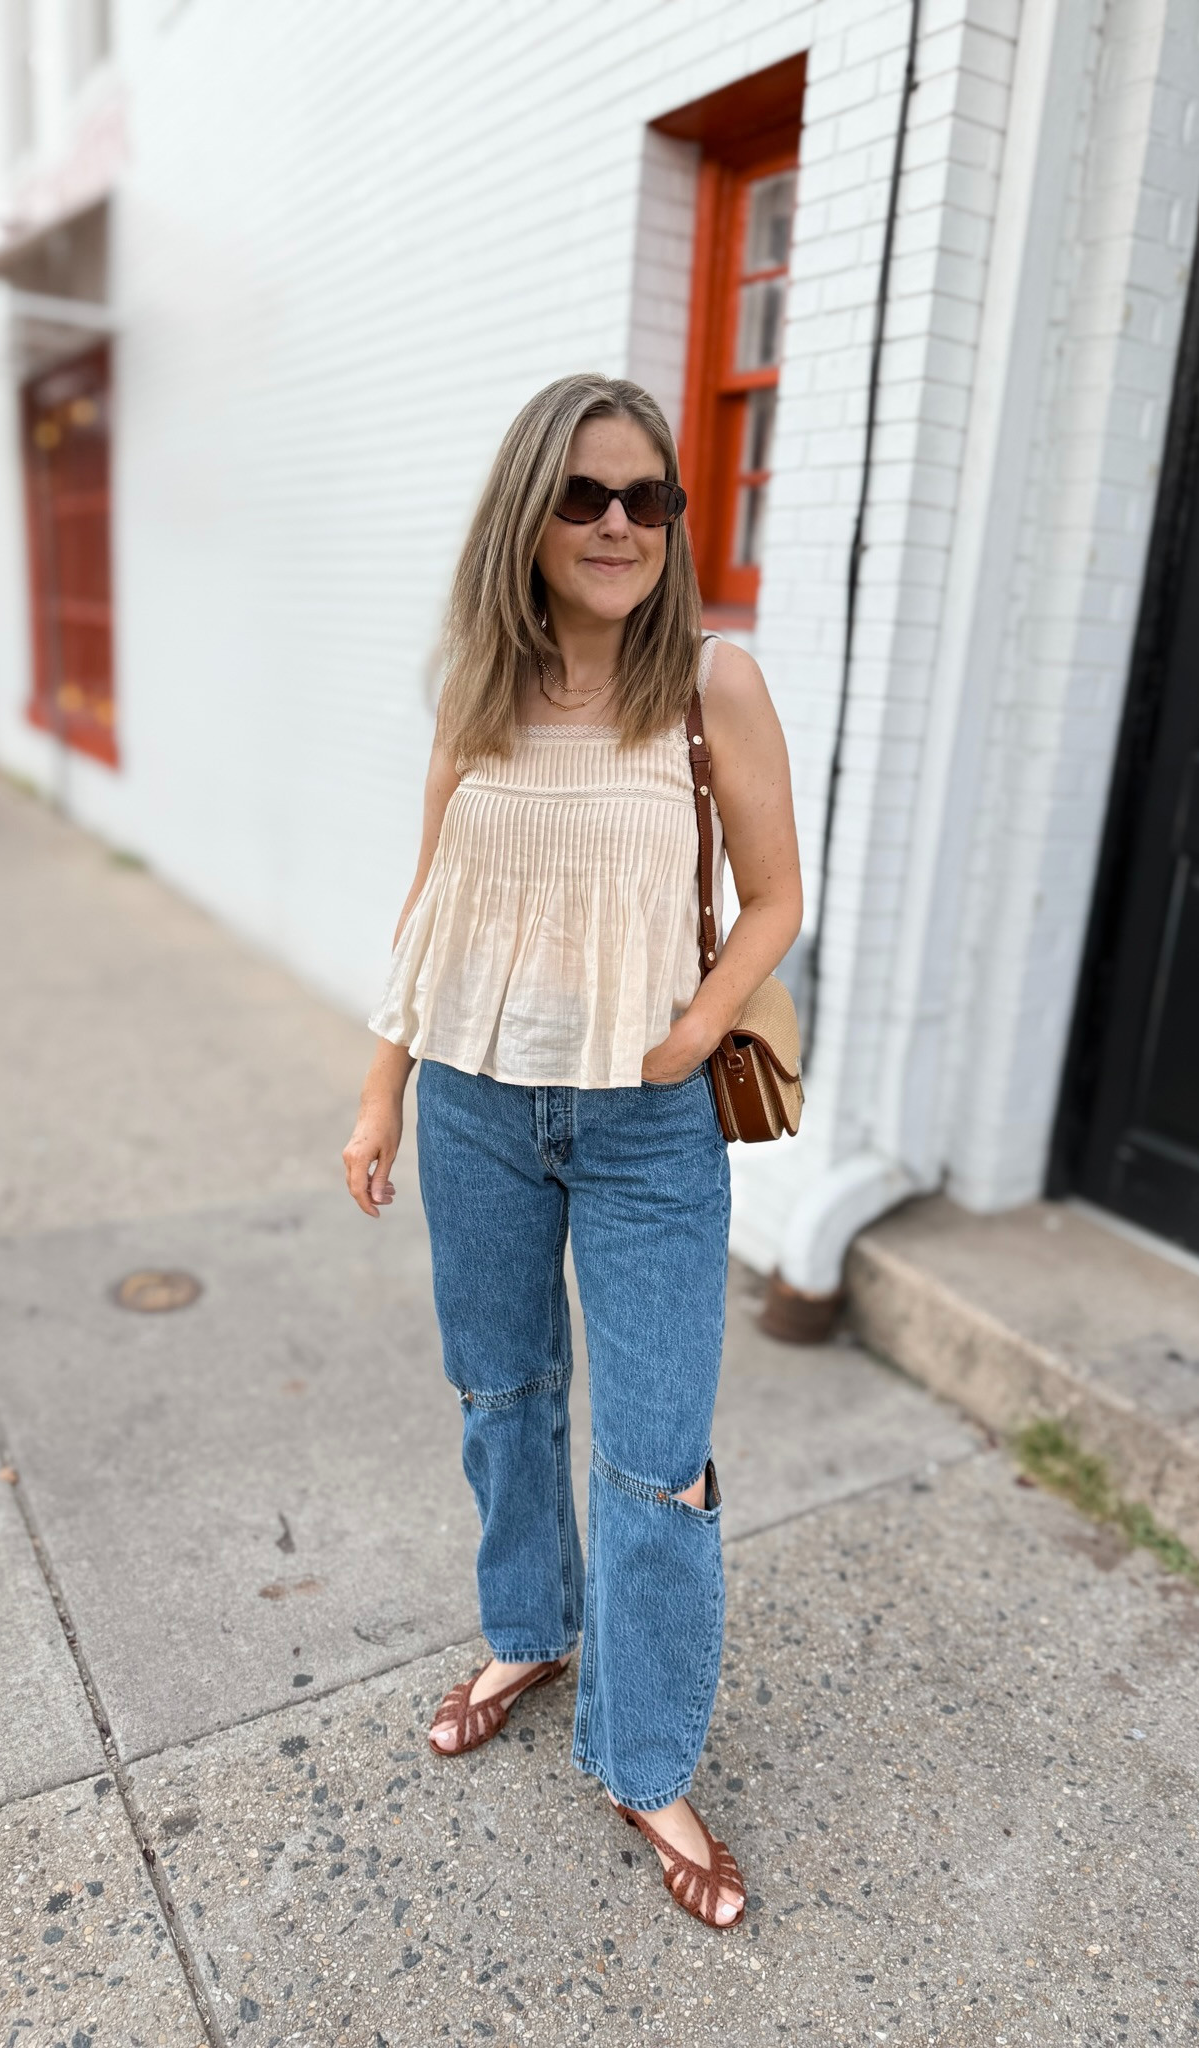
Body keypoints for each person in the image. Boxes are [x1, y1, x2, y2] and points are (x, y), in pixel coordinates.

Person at [341, 372, 802, 1930]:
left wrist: (687, 1038)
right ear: (528, 513)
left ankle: (644, 1754)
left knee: (658, 1461)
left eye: (649, 499)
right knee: (502, 1393)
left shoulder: (709, 687)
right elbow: (431, 906)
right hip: (475, 1101)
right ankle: (530, 1631)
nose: (620, 525)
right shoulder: (478, 685)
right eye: (587, 496)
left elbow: (777, 901)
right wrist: (379, 1091)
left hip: (649, 1130)